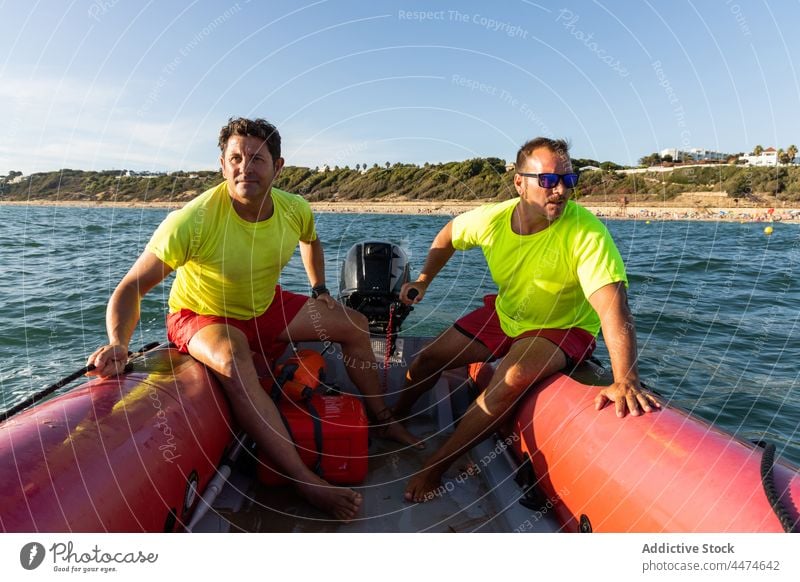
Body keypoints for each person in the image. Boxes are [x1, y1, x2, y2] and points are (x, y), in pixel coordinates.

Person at [87, 117, 420, 521]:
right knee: (232, 355)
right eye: (236, 158)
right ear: (223, 165)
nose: (246, 167)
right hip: (201, 314)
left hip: (263, 306)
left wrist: (319, 289)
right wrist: (119, 342)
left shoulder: (294, 208)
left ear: (277, 167)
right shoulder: (191, 221)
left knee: (354, 324)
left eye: (258, 159)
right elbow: (129, 289)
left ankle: (382, 419)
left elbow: (311, 240)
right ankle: (303, 478)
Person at [395, 137, 660, 502]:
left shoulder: (585, 231)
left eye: (569, 180)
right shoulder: (493, 219)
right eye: (549, 181)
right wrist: (424, 279)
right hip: (507, 313)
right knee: (427, 358)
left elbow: (614, 306)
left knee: (511, 378)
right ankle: (393, 420)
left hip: (562, 326)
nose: (562, 190)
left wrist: (626, 379)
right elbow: (449, 235)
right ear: (519, 182)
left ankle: (436, 467)